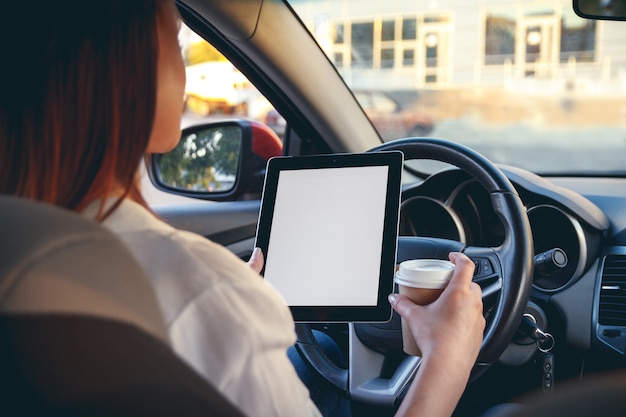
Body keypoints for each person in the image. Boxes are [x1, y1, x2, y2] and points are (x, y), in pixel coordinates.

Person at [0, 1, 485, 417]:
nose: (184, 69)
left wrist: (237, 301)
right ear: (128, 69)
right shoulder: (203, 291)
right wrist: (447, 357)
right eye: (175, 40)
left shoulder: (19, 244)